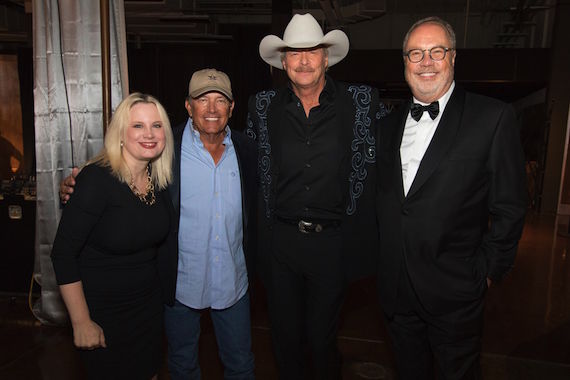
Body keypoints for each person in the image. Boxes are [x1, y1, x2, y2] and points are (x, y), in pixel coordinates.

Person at [59, 69, 257, 380]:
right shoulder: (166, 150)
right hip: (177, 284)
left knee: (242, 365)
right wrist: (75, 184)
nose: (212, 109)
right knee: (181, 364)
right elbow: (116, 173)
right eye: (202, 100)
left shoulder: (248, 151)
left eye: (221, 100)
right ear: (188, 107)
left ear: (233, 108)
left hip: (232, 283)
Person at [375, 17, 527, 379]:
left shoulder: (491, 118)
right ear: (405, 62)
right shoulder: (386, 126)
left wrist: (487, 273)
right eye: (416, 53)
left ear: (453, 58)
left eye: (436, 51)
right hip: (397, 292)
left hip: (456, 292)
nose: (426, 62)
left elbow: (510, 205)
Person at [246, 13, 386, 380]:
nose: (304, 60)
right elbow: (238, 157)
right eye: (294, 53)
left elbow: (398, 149)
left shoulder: (361, 102)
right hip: (281, 242)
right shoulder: (261, 107)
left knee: (322, 339)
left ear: (326, 58)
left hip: (334, 242)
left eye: (312, 52)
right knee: (285, 338)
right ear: (283, 62)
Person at [51, 93, 175, 380]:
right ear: (120, 133)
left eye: (156, 126)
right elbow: (63, 253)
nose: (149, 134)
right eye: (138, 126)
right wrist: (81, 321)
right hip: (104, 312)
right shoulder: (96, 179)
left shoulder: (159, 179)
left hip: (148, 309)